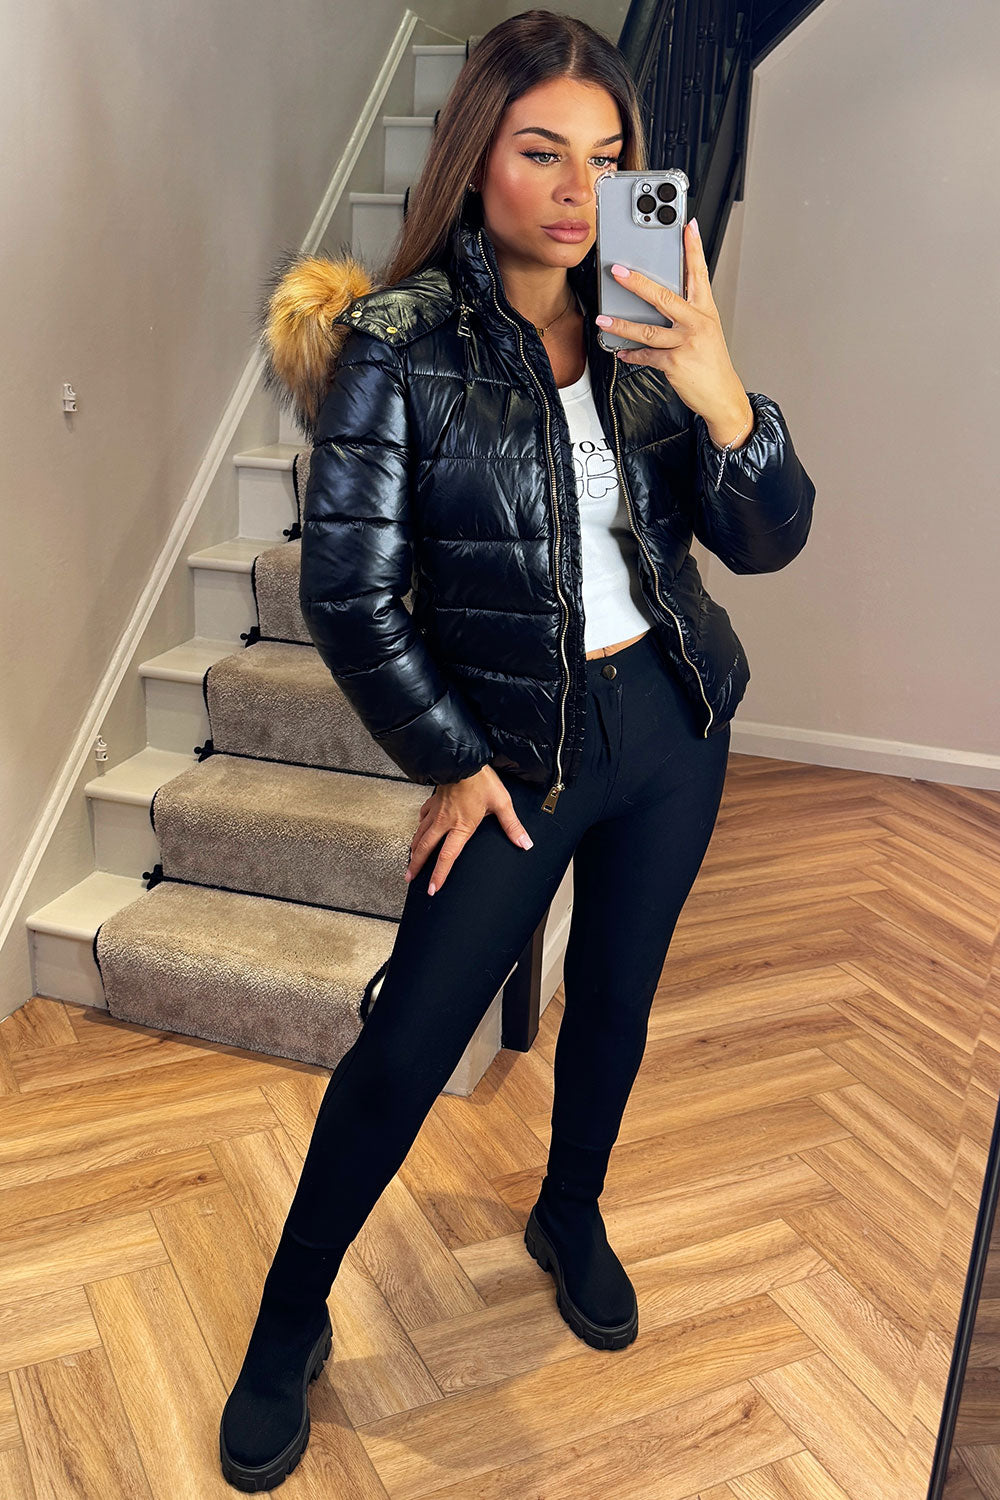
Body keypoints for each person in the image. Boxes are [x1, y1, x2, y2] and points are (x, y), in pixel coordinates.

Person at [220, 8, 816, 1489]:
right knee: (410, 1040)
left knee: (617, 996)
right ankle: (288, 1320)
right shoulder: (398, 347)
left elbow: (769, 537)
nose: (574, 187)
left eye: (605, 158)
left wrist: (721, 387)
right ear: (475, 155)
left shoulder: (648, 328)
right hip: (513, 756)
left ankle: (570, 1208)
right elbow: (349, 595)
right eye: (541, 150)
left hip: (672, 723)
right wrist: (450, 757)